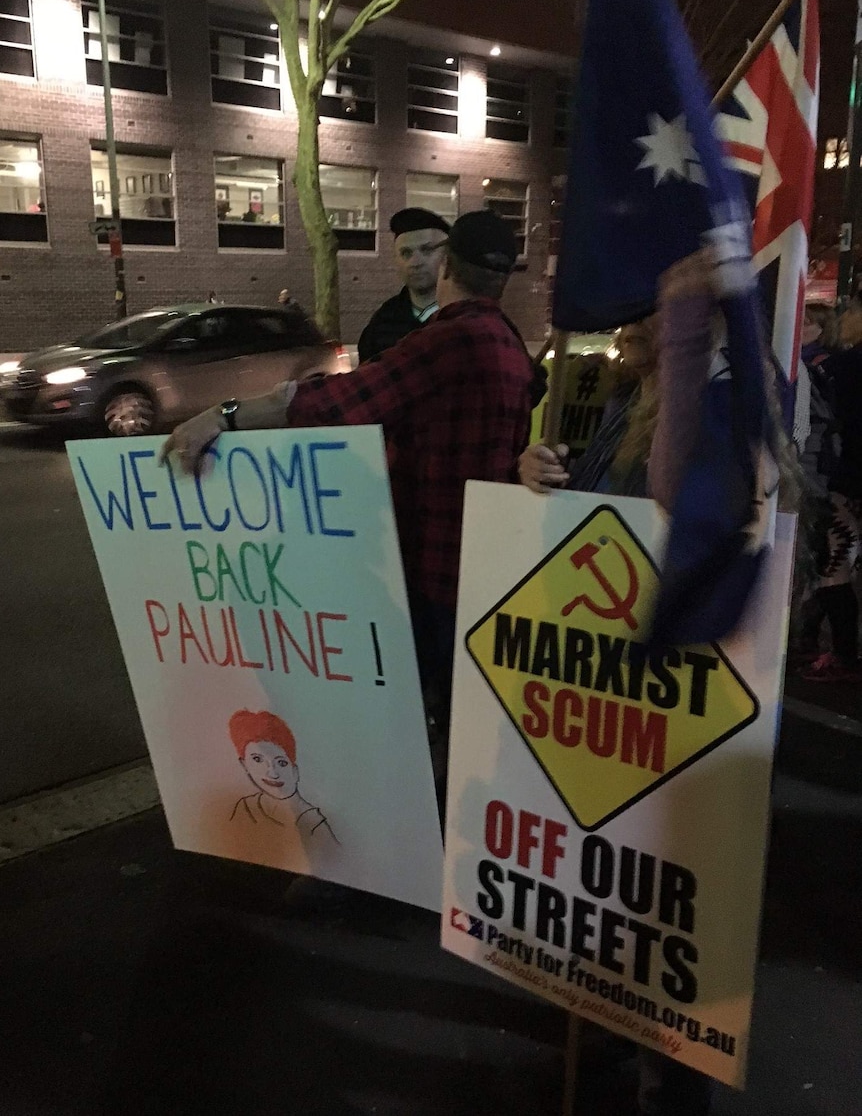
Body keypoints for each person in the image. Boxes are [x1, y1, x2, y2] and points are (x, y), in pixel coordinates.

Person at [162, 211, 545, 798]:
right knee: (453, 714)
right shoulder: (509, 344)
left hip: (430, 570)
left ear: (447, 266)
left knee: (411, 716)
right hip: (478, 566)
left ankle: (407, 844)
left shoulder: (451, 337)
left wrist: (225, 415)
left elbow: (338, 402)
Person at [519, 251, 761, 1116]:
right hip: (609, 692)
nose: (634, 321)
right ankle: (613, 1040)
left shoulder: (739, 392)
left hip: (678, 701)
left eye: (654, 304)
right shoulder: (628, 397)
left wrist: (691, 329)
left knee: (670, 906)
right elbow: (594, 513)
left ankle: (669, 1075)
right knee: (608, 888)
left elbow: (671, 493)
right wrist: (538, 477)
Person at [798, 297, 862, 680]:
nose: (844, 320)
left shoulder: (842, 366)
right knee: (833, 565)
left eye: (851, 312)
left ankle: (843, 656)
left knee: (832, 567)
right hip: (847, 480)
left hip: (843, 481)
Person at [356, 208, 451, 363]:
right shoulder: (382, 322)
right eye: (406, 253)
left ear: (448, 255)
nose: (415, 263)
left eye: (426, 250)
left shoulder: (470, 316)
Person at [229, 709, 337, 842]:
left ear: (295, 771)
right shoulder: (246, 807)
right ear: (244, 765)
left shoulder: (312, 823)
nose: (272, 773)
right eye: (258, 760)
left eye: (281, 763)